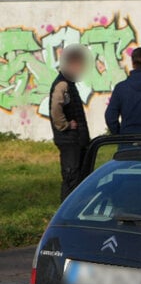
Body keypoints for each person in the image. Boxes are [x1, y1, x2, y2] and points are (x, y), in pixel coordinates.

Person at [49, 45, 91, 200]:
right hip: (69, 139)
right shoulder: (63, 84)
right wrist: (65, 125)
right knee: (71, 177)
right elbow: (55, 108)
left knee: (77, 176)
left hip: (73, 139)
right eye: (79, 64)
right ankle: (66, 214)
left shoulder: (68, 83)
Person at [105, 47, 141, 135]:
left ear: (133, 63)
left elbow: (110, 117)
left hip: (127, 140)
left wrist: (119, 135)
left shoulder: (120, 88)